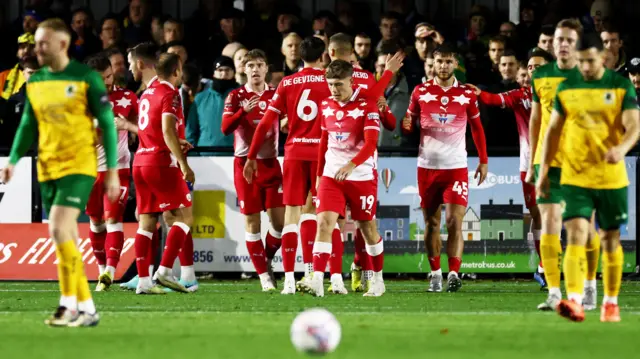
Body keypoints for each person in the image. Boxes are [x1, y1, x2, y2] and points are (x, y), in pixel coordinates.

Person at [1, 18, 119, 327]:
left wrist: (115, 172)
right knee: (64, 234)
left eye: (43, 43)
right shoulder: (37, 81)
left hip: (79, 165)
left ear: (63, 44)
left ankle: (70, 304)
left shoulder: (86, 79)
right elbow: (28, 123)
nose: (37, 48)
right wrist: (13, 159)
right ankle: (84, 307)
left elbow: (107, 123)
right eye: (36, 43)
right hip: (47, 165)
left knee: (57, 227)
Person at [536, 33, 639, 322]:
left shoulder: (620, 86)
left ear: (603, 57)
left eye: (590, 61)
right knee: (576, 234)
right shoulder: (567, 88)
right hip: (575, 176)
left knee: (609, 239)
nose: (585, 67)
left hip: (610, 177)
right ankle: (575, 300)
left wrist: (621, 147)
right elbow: (553, 133)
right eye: (581, 62)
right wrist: (543, 172)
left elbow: (634, 126)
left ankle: (610, 301)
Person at [526, 19, 602, 312]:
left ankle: (590, 285)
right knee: (550, 226)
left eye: (570, 39)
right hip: (549, 163)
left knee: (582, 229)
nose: (563, 44)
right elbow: (535, 119)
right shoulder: (541, 75)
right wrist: (535, 160)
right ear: (553, 43)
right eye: (559, 39)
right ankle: (554, 292)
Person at [243, 36, 328, 295]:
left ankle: (289, 279)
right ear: (323, 56)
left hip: (293, 154)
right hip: (320, 154)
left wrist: (250, 157)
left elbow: (267, 122)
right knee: (312, 212)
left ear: (300, 57)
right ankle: (311, 272)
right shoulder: (330, 81)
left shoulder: (288, 83)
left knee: (291, 215)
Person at [402, 43, 488, 293]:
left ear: (455, 65)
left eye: (448, 61)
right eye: (439, 61)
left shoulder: (467, 94)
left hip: (456, 167)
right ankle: (436, 274)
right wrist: (406, 124)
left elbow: (477, 129)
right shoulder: (420, 92)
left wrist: (483, 160)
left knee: (454, 221)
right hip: (427, 167)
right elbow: (409, 125)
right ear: (433, 63)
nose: (443, 66)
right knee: (431, 223)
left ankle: (453, 273)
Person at [467, 48, 554, 290]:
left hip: (558, 163)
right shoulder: (521, 95)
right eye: (531, 67)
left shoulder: (563, 93)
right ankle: (544, 265)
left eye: (539, 66)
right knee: (538, 215)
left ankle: (556, 266)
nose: (534, 71)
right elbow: (493, 99)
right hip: (528, 166)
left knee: (555, 216)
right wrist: (478, 93)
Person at [299, 59, 386, 297]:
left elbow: (370, 144)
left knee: (367, 228)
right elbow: (323, 143)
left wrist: (351, 165)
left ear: (351, 81)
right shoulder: (325, 104)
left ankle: (378, 281)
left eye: (339, 84)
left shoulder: (367, 105)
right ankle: (317, 279)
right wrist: (319, 175)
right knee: (324, 223)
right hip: (331, 176)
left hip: (361, 175)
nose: (334, 89)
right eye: (330, 84)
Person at [326, 32, 398, 293]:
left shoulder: (367, 80)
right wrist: (386, 76)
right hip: (332, 161)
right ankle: (334, 277)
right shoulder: (330, 82)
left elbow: (389, 122)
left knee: (362, 224)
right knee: (330, 221)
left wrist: (383, 104)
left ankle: (360, 269)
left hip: (362, 163)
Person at [130, 50, 195, 295]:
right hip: (160, 162)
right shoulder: (170, 93)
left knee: (146, 221)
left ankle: (144, 282)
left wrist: (178, 142)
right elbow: (167, 130)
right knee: (185, 218)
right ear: (177, 71)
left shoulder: (146, 93)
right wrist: (183, 163)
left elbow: (151, 128)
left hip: (141, 161)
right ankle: (165, 270)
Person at [221, 49, 284, 292]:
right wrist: (243, 112)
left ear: (267, 69)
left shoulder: (277, 95)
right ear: (244, 70)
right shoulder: (236, 96)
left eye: (260, 64)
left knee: (279, 224)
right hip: (244, 166)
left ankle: (266, 258)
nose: (255, 69)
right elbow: (225, 128)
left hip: (270, 164)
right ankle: (264, 278)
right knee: (252, 222)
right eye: (250, 66)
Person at [84, 54, 138, 292]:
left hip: (118, 170)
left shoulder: (127, 97)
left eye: (107, 76)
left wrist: (130, 128)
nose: (105, 82)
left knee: (113, 219)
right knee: (96, 224)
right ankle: (100, 271)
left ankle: (110, 272)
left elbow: (139, 125)